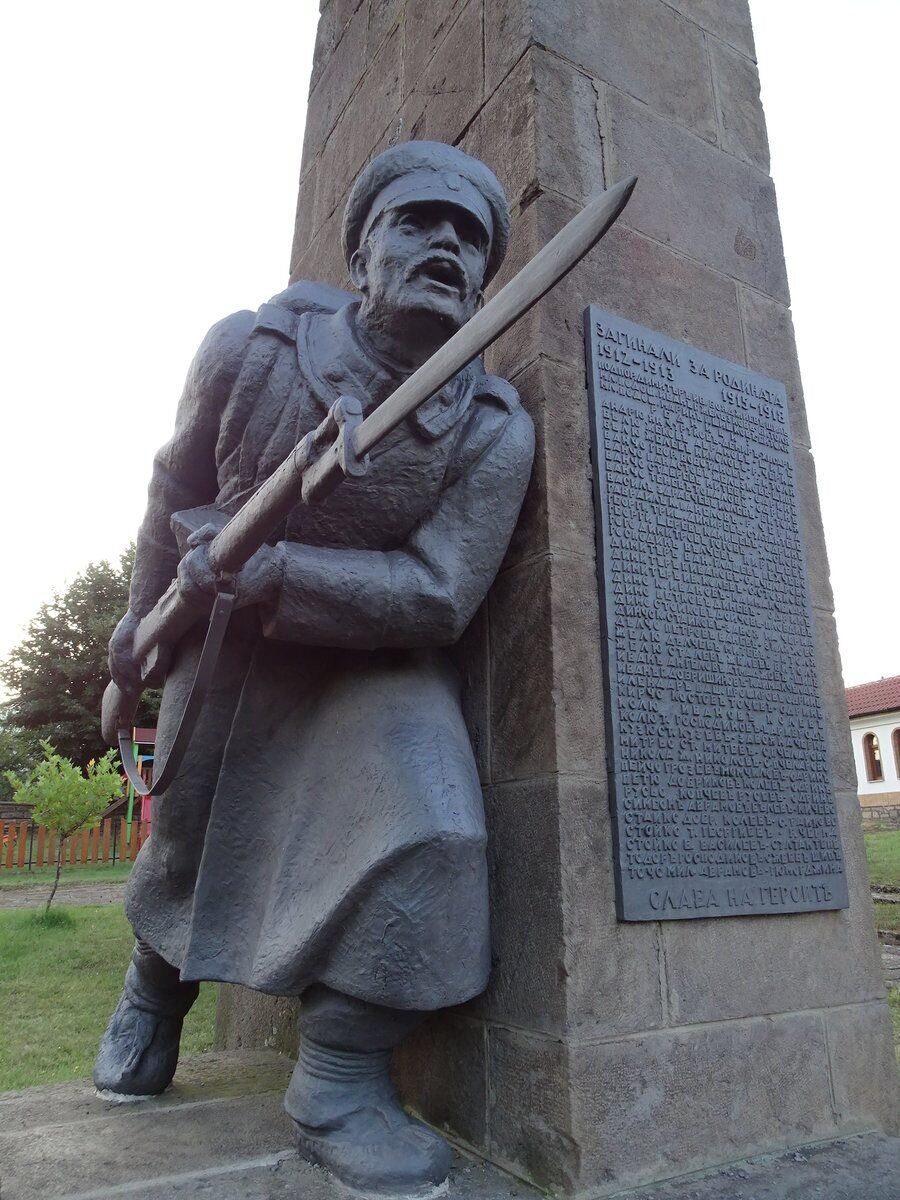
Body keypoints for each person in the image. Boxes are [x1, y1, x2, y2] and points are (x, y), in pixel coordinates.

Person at [94, 140, 534, 1195]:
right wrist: (137, 627)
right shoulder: (249, 350)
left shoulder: (489, 424)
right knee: (197, 836)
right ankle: (153, 992)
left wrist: (287, 573)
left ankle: (338, 1079)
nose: (445, 247)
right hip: (229, 650)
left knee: (437, 832)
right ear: (362, 252)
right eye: (419, 222)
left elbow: (439, 589)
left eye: (468, 238)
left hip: (370, 651)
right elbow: (174, 489)